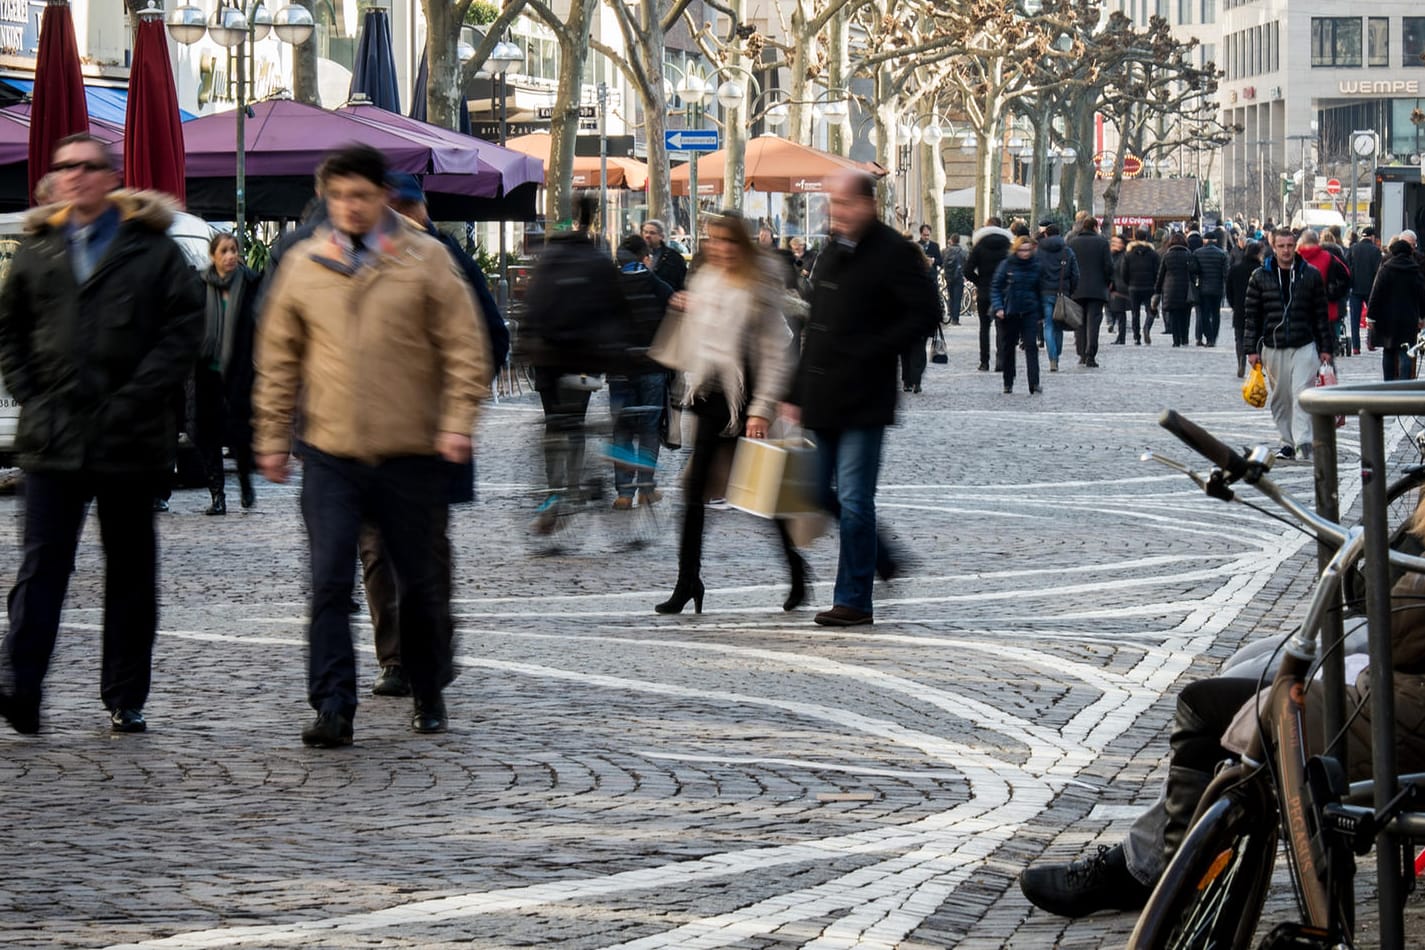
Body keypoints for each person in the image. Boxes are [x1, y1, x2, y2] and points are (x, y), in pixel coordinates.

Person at [1020, 557, 1425, 918]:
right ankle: (1161, 862)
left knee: (1207, 705)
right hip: (1397, 689)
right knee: (1249, 663)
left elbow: (1394, 626)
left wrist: (1399, 556)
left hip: (1401, 712)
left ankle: (1164, 876)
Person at [253, 144, 490, 747]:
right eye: (338, 197)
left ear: (383, 196)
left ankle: (428, 687)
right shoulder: (305, 265)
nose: (350, 207)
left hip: (411, 449)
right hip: (331, 452)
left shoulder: (427, 258)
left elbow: (466, 347)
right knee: (329, 580)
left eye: (360, 195)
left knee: (419, 582)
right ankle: (332, 704)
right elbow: (279, 359)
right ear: (325, 200)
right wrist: (273, 435)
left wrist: (458, 422)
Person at [0, 133, 204, 735]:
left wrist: (138, 396)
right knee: (41, 567)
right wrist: (33, 392)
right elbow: (9, 329)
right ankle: (20, 687)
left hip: (129, 437)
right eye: (67, 168)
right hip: (53, 436)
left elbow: (183, 331)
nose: (77, 177)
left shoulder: (152, 249)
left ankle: (124, 694)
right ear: (55, 179)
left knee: (130, 570)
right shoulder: (38, 250)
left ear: (111, 177)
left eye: (89, 168)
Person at [359, 173, 508, 700]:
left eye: (400, 206)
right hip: (367, 433)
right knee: (376, 548)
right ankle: (396, 659)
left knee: (424, 551)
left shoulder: (448, 260)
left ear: (416, 209)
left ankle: (430, 656)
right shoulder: (355, 256)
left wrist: (458, 403)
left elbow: (491, 335)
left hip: (429, 433)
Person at [784, 170, 940, 627]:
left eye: (844, 205)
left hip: (864, 396)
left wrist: (873, 349)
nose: (836, 213)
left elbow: (926, 313)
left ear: (868, 204)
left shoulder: (893, 252)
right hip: (822, 393)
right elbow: (815, 329)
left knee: (854, 499)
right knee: (812, 490)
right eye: (833, 205)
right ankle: (882, 553)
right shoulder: (832, 251)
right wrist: (794, 392)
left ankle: (853, 600)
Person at [647, 211, 803, 615]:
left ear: (743, 244)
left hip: (746, 402)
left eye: (728, 241)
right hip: (710, 397)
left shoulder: (758, 285)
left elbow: (774, 354)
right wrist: (686, 309)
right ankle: (688, 580)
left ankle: (798, 571)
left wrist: (762, 408)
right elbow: (699, 342)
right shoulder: (705, 279)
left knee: (762, 492)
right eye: (714, 240)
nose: (720, 248)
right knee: (694, 492)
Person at [520, 197, 631, 533]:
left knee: (554, 425)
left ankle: (554, 494)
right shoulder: (598, 260)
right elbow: (616, 309)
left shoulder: (548, 259)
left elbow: (532, 304)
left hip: (548, 358)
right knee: (577, 424)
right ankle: (572, 488)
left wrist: (524, 346)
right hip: (585, 359)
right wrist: (619, 353)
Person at [1244, 227, 1334, 462]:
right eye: (1281, 246)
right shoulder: (1260, 276)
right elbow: (1252, 315)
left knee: (1301, 393)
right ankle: (1287, 442)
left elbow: (1320, 314)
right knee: (1281, 398)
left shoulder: (1310, 274)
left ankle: (1303, 442)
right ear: (1273, 247)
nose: (1286, 250)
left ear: (1296, 247)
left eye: (1290, 246)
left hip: (1303, 344)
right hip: (1273, 346)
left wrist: (1326, 347)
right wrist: (1250, 349)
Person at [193, 232, 259, 515]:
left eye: (234, 250)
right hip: (206, 370)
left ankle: (245, 481)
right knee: (206, 433)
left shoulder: (252, 283)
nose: (231, 256)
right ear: (213, 256)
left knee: (240, 433)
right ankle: (217, 495)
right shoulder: (198, 286)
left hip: (241, 370)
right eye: (224, 251)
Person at [610, 233, 673, 509]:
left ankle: (624, 492)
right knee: (649, 429)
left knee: (622, 430)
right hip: (652, 367)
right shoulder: (659, 287)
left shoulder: (610, 287)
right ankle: (646, 488)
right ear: (645, 258)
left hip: (619, 370)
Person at [1366, 237, 1425, 380]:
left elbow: (1376, 294)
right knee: (1406, 350)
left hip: (1387, 319)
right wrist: (1422, 317)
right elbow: (1422, 295)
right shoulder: (1415, 270)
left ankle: (1388, 382)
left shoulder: (1386, 269)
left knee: (1389, 350)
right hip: (1408, 318)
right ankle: (1404, 383)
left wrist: (1371, 317)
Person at [991, 235, 1044, 395]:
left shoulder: (1036, 266)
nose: (1025, 253)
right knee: (1008, 348)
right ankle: (1008, 381)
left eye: (1028, 250)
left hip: (1029, 311)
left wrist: (1041, 312)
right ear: (1016, 250)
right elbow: (996, 287)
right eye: (1022, 250)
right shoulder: (1007, 265)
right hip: (1010, 311)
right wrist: (999, 307)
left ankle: (1034, 383)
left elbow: (1040, 290)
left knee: (1031, 346)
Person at [965, 217, 1014, 372]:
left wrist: (979, 281)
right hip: (1003, 292)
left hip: (984, 291)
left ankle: (984, 361)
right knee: (1002, 327)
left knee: (984, 327)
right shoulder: (1008, 245)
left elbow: (967, 270)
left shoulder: (979, 247)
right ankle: (1001, 360)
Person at [1066, 216, 1113, 368]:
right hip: (1097, 289)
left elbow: (1068, 266)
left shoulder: (1072, 243)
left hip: (1077, 289)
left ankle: (1081, 353)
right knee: (1094, 323)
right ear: (1095, 227)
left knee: (1079, 322)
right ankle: (1090, 354)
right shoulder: (1102, 242)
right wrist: (1108, 281)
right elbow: (1108, 266)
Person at [1297, 229, 1351, 357]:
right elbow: (1346, 276)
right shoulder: (1328, 258)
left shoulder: (1294, 258)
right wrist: (1334, 294)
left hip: (1299, 313)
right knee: (1326, 354)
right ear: (1317, 242)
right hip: (1327, 311)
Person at [1035, 222, 1079, 373]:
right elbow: (1075, 274)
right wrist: (1070, 290)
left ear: (1045, 234)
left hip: (1045, 292)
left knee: (1048, 325)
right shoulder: (1067, 251)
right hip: (1062, 292)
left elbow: (1036, 272)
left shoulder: (1039, 251)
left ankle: (1052, 358)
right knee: (1059, 325)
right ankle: (1057, 355)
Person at [1225, 240, 1263, 378]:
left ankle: (1241, 361)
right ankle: (1257, 365)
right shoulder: (1261, 269)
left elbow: (1228, 289)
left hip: (1240, 307)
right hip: (1258, 308)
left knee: (1239, 337)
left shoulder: (1235, 268)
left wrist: (1233, 304)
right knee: (1258, 337)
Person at [1154, 231, 1198, 347]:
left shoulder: (1167, 255)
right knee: (1185, 315)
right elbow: (1194, 271)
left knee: (1173, 316)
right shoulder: (1188, 254)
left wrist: (1157, 290)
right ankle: (1185, 338)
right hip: (1185, 288)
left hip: (1170, 289)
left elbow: (1161, 274)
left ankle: (1176, 340)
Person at [1346, 227, 1382, 358]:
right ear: (1372, 237)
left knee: (1354, 320)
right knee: (1372, 317)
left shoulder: (1353, 249)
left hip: (1355, 289)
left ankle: (1356, 347)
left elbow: (1346, 267)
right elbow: (1379, 271)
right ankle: (1371, 342)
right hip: (1371, 290)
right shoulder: (1375, 251)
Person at [1191, 229, 1229, 347]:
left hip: (1203, 288)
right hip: (1217, 289)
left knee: (1204, 314)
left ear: (1205, 240)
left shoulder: (1197, 253)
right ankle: (1214, 337)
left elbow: (1193, 270)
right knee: (1216, 314)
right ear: (1216, 241)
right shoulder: (1222, 254)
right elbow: (1226, 273)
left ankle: (1209, 337)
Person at [1122, 228, 1160, 345]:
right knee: (1151, 310)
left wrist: (1128, 283)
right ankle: (1147, 327)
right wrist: (1155, 284)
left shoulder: (1128, 254)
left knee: (1135, 312)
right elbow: (1157, 271)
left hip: (1133, 287)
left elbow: (1124, 272)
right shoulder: (1153, 254)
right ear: (1146, 238)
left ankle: (1136, 337)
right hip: (1149, 286)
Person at [641, 219, 687, 292]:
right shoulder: (637, 254)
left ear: (661, 236)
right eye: (645, 232)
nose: (647, 235)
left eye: (652, 233)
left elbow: (681, 282)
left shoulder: (673, 257)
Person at [1107, 234, 1130, 343]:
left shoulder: (1124, 256)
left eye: (1118, 243)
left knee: (1120, 312)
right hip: (1113, 287)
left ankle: (1121, 337)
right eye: (1113, 242)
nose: (1115, 245)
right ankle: (1120, 335)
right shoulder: (1111, 255)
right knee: (1115, 311)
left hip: (1120, 287)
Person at [943, 233, 966, 326]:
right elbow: (966, 263)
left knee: (951, 296)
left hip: (948, 277)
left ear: (951, 240)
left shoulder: (945, 251)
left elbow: (941, 262)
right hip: (959, 277)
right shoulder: (963, 251)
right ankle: (955, 319)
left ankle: (951, 315)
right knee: (957, 298)